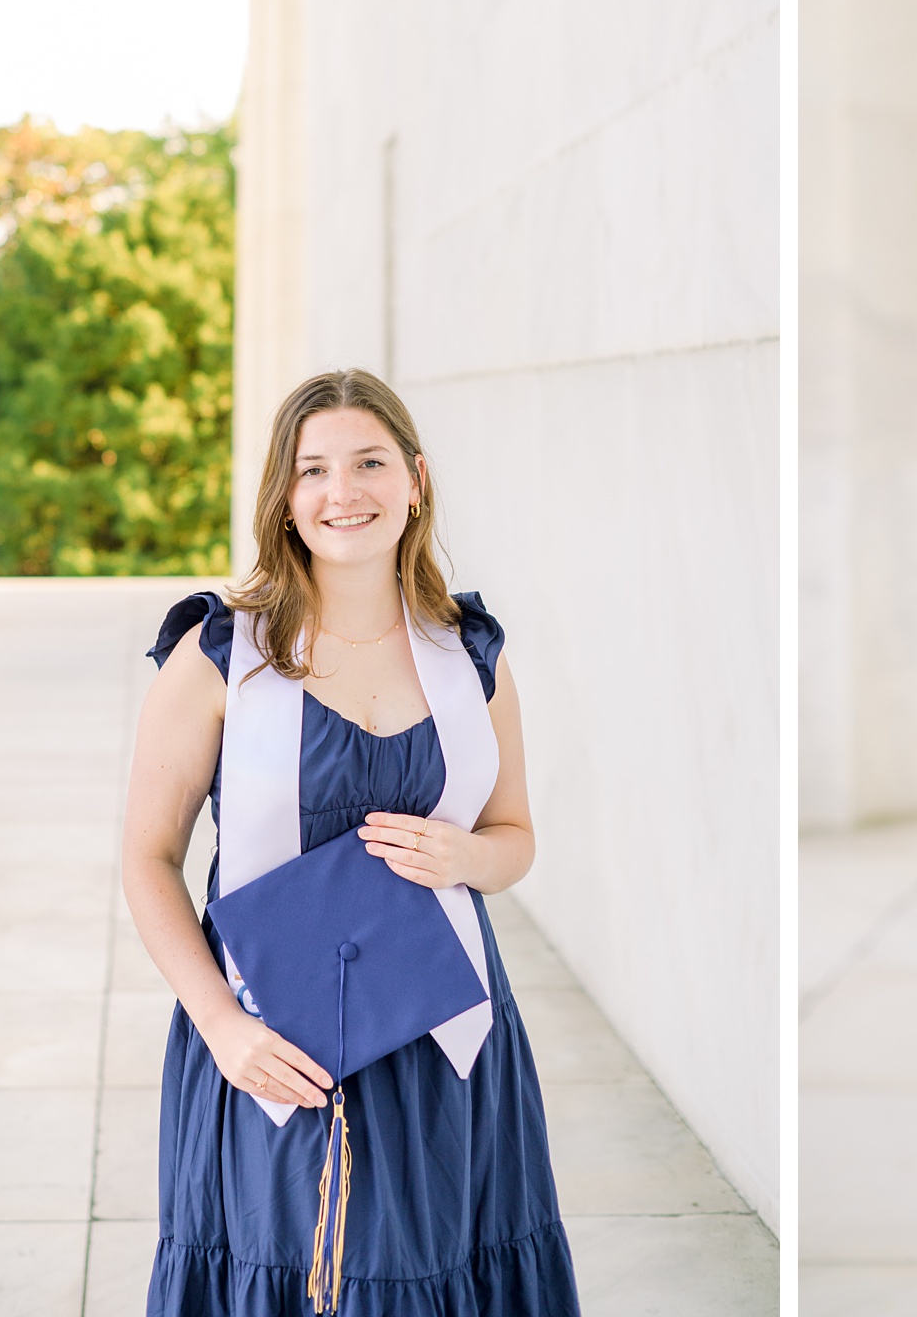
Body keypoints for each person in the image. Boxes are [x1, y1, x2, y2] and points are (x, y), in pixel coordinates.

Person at [122, 368, 579, 1315]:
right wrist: (223, 1028)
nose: (344, 493)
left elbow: (515, 833)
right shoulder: (221, 657)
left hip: (444, 1043)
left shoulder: (470, 657)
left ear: (414, 479)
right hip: (270, 1043)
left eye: (369, 463)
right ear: (284, 501)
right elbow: (147, 858)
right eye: (314, 471)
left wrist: (469, 860)